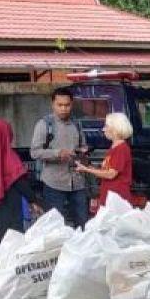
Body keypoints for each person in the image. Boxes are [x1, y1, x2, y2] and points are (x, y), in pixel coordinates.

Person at [0, 119, 43, 250]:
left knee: (2, 244)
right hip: (11, 206)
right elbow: (19, 182)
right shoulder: (9, 156)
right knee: (14, 242)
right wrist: (34, 201)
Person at [30, 87, 88, 228]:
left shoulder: (76, 124)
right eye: (60, 105)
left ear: (72, 104)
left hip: (77, 182)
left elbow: (83, 146)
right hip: (53, 183)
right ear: (53, 104)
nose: (63, 109)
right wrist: (57, 153)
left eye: (67, 105)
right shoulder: (44, 124)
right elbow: (35, 152)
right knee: (56, 226)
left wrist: (83, 151)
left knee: (83, 224)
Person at [76, 112, 134, 209]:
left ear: (115, 129)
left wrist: (87, 170)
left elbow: (111, 174)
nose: (103, 129)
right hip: (111, 196)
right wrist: (90, 167)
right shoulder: (115, 147)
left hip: (116, 198)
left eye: (106, 126)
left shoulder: (120, 149)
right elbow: (107, 169)